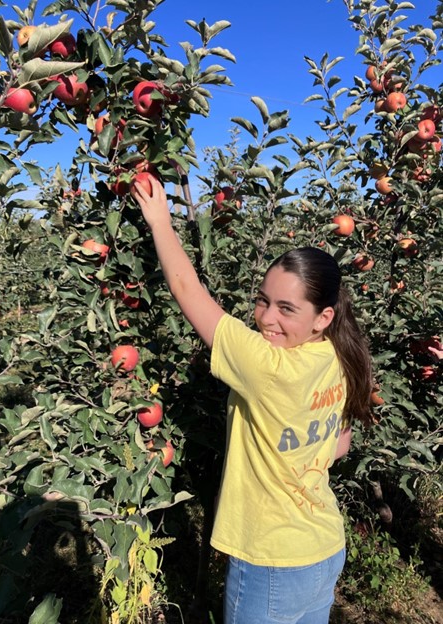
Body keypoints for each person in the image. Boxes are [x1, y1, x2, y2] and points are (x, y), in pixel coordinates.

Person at [132, 177, 374, 624]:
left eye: (286, 308)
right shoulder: (341, 357)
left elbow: (189, 292)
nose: (265, 318)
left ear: (323, 317)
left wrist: (160, 222)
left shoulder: (267, 366)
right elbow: (339, 445)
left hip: (271, 558)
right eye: (263, 301)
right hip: (323, 549)